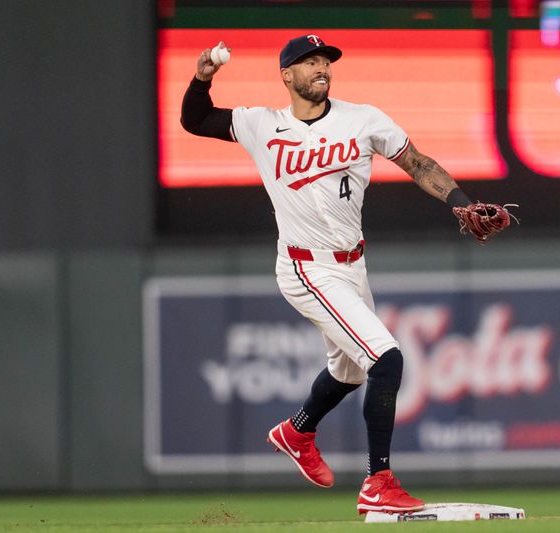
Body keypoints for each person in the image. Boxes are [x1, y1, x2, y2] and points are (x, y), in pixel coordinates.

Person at [181, 34, 500, 515]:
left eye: (324, 60)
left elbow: (418, 163)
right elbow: (195, 119)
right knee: (386, 360)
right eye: (308, 62)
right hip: (305, 267)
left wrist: (461, 202)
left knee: (348, 370)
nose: (320, 68)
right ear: (286, 76)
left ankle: (297, 430)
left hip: (352, 265)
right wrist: (204, 75)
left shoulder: (362, 119)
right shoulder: (260, 125)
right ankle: (379, 482)